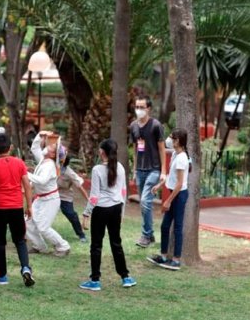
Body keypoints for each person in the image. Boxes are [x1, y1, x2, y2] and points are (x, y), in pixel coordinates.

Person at [79, 139, 136, 291]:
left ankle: (95, 280)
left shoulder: (97, 170)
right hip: (116, 208)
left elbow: (94, 195)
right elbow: (123, 192)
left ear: (102, 152)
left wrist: (86, 213)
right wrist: (122, 212)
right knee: (116, 243)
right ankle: (126, 277)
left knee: (96, 245)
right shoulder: (121, 168)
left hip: (101, 210)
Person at [0, 133, 35, 286]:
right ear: (11, 147)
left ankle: (1, 275)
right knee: (20, 240)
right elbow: (27, 185)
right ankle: (25, 268)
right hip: (17, 207)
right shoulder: (19, 163)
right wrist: (29, 205)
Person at [147, 128, 190, 271]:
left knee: (177, 227)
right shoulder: (174, 155)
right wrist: (159, 186)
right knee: (165, 226)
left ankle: (176, 260)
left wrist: (168, 201)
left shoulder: (182, 158)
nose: (169, 140)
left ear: (178, 141)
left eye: (172, 138)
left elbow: (179, 184)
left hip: (179, 195)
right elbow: (171, 178)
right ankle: (164, 256)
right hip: (173, 193)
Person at [129, 94, 167, 248]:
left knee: (145, 201)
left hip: (154, 170)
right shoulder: (133, 126)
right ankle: (150, 235)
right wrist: (134, 169)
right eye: (137, 107)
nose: (139, 110)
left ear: (149, 109)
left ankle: (145, 235)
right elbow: (135, 148)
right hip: (140, 170)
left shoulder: (156, 125)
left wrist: (163, 171)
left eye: (142, 107)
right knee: (144, 205)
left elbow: (162, 149)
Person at [25, 131, 71, 256]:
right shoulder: (43, 159)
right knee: (28, 222)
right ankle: (39, 246)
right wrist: (39, 134)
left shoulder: (50, 165)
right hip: (40, 199)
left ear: (52, 154)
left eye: (51, 146)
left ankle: (63, 246)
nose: (48, 145)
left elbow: (42, 180)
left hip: (50, 200)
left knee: (43, 227)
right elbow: (34, 147)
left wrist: (25, 173)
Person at [58, 154, 89, 242]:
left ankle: (81, 235)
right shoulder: (53, 167)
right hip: (52, 195)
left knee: (71, 214)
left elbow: (79, 187)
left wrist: (88, 199)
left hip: (65, 197)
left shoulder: (69, 173)